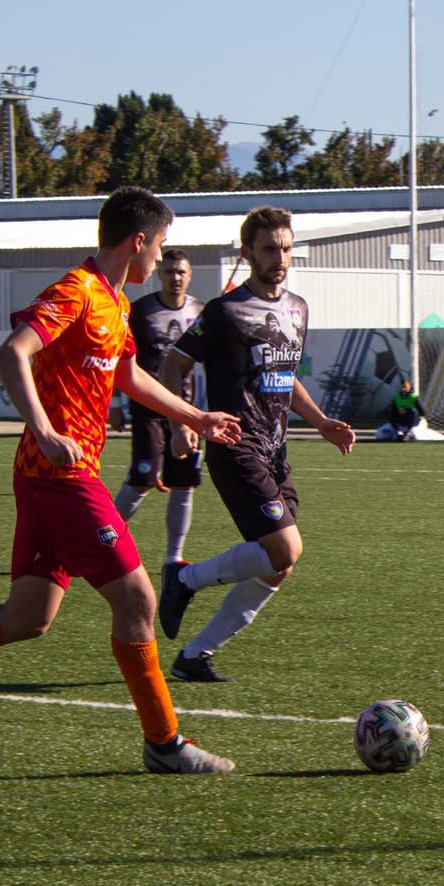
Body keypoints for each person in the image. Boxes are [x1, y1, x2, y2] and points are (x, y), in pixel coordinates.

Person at [0, 188, 245, 774]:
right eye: (159, 247)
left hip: (47, 476)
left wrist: (196, 417)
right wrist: (42, 428)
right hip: (61, 476)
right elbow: (13, 354)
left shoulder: (114, 303)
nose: (160, 261)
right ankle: (165, 744)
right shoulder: (78, 291)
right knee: (138, 597)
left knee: (27, 617)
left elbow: (129, 376)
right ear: (138, 241)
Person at [155, 206, 356, 683]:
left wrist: (322, 421)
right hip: (235, 446)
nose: (280, 257)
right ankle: (183, 578)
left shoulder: (298, 308)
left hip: (276, 450)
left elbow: (282, 380)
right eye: (269, 249)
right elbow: (171, 367)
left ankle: (195, 655)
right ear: (248, 253)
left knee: (278, 565)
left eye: (286, 248)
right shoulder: (224, 312)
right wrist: (183, 422)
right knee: (285, 547)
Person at [112, 248, 206, 570]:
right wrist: (114, 404)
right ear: (159, 274)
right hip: (148, 409)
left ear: (190, 275)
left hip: (186, 411)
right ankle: (100, 542)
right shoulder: (139, 312)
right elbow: (117, 357)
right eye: (168, 272)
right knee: (143, 478)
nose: (175, 278)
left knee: (184, 482)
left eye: (181, 272)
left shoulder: (200, 310)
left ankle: (173, 558)